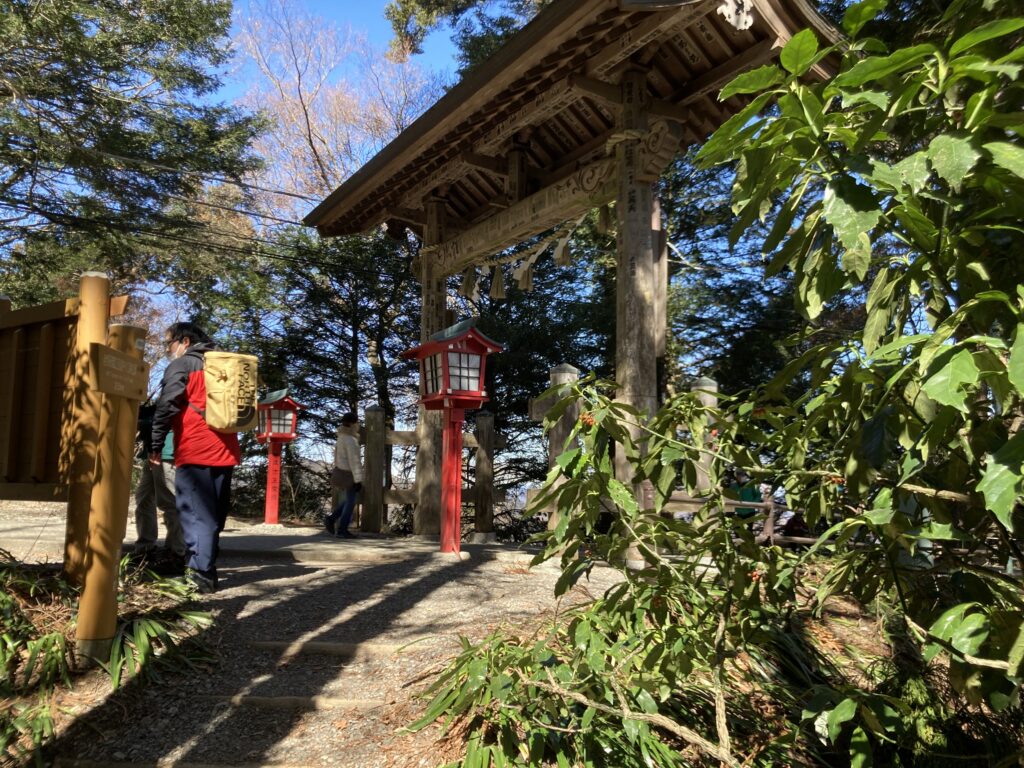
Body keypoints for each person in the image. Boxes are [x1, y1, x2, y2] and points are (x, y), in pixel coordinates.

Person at [150, 322, 240, 594]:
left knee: (194, 512)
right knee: (213, 513)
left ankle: (201, 574)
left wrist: (156, 441)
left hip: (195, 447)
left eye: (169, 343)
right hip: (226, 449)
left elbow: (167, 404)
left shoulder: (184, 364)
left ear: (185, 341)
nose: (168, 349)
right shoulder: (225, 364)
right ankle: (205, 564)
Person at [133, 401, 185, 573]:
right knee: (144, 499)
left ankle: (176, 553)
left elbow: (166, 417)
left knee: (169, 502)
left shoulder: (176, 388)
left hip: (166, 451)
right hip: (152, 451)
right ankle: (146, 548)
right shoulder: (165, 393)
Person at [325, 412, 363, 539]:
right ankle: (342, 529)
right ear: (353, 423)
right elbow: (354, 461)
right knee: (351, 502)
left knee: (348, 500)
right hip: (349, 474)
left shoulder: (341, 437)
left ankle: (332, 519)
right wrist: (358, 479)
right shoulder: (351, 440)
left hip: (341, 471)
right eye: (357, 422)